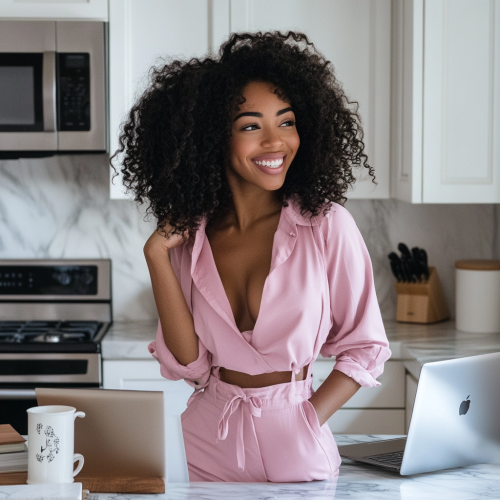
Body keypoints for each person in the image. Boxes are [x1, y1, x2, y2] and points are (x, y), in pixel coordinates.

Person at [114, 31, 391, 482]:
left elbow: (366, 348)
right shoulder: (190, 237)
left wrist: (306, 419)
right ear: (212, 139)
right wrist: (155, 256)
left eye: (286, 122)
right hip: (206, 440)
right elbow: (192, 366)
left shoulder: (326, 225)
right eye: (250, 126)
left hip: (297, 440)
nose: (275, 142)